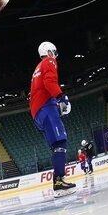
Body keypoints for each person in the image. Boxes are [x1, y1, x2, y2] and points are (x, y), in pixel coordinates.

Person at [29, 41, 76, 197]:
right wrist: (61, 98)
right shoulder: (49, 61)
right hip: (46, 106)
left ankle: (59, 180)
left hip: (37, 112)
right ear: (49, 52)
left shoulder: (37, 68)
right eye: (54, 52)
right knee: (60, 142)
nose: (55, 56)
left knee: (56, 146)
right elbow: (49, 82)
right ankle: (59, 181)